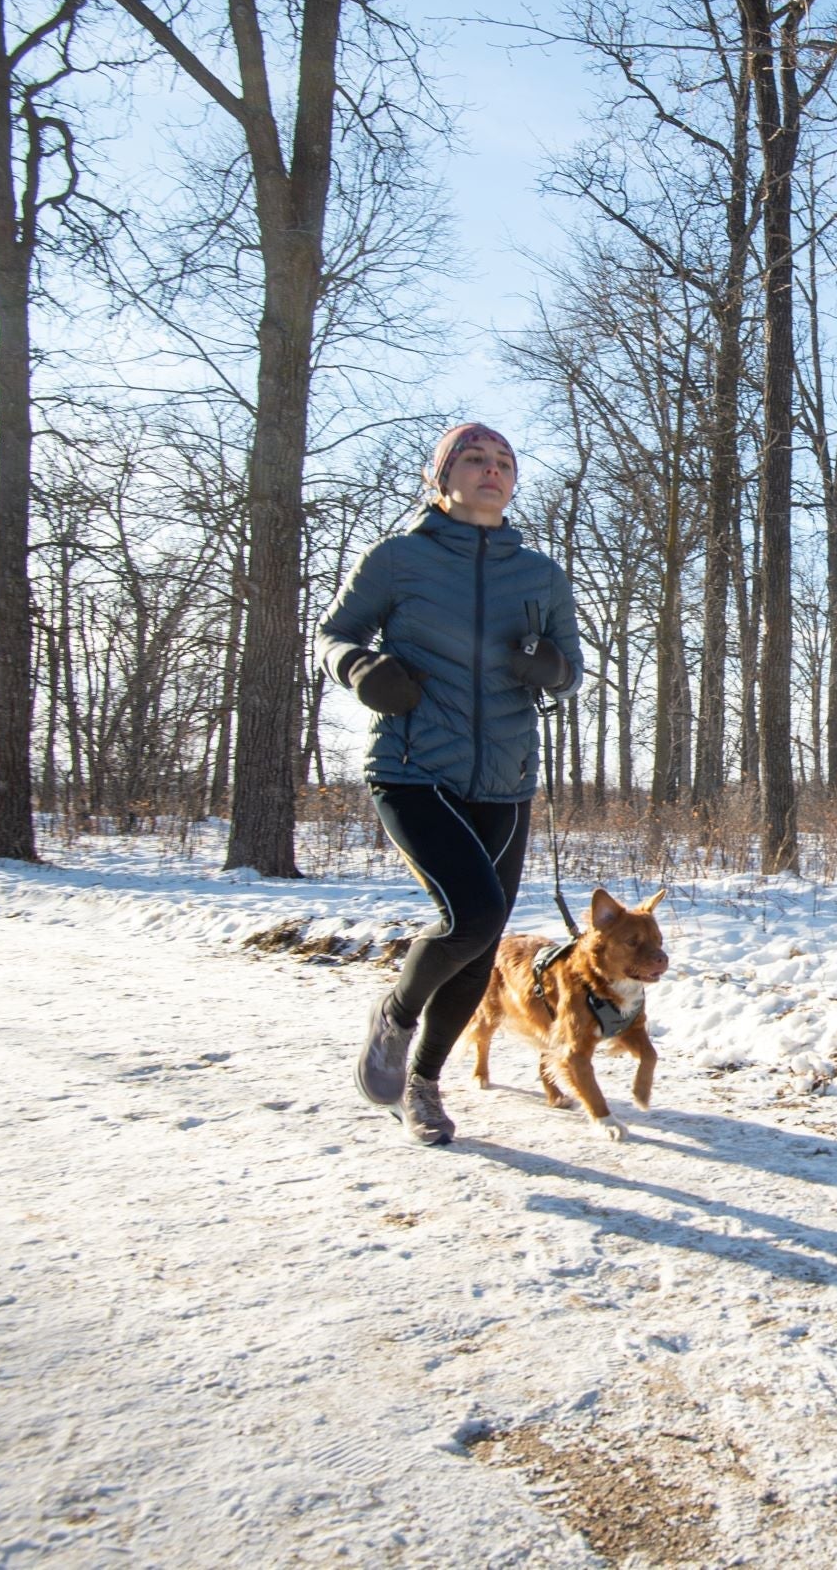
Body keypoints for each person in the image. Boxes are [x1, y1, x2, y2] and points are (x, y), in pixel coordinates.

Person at [314, 422, 582, 1145]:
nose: (491, 470)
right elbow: (333, 635)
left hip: (506, 777)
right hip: (411, 767)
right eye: (474, 458)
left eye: (504, 462)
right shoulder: (398, 560)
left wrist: (549, 668)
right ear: (442, 478)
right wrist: (362, 670)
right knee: (472, 914)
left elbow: (572, 672)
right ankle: (395, 1017)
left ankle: (422, 1084)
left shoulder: (540, 576)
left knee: (482, 930)